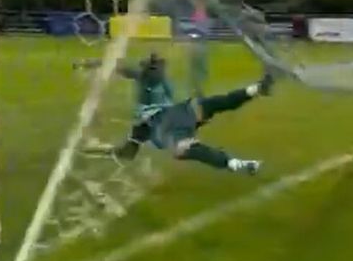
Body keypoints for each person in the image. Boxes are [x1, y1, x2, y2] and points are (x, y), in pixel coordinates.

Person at [84, 52, 272, 175]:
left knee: (187, 144)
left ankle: (237, 163)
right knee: (216, 104)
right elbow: (128, 151)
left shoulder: (148, 80)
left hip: (169, 120)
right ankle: (255, 89)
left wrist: (101, 149)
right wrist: (100, 150)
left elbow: (127, 152)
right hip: (178, 115)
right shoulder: (152, 80)